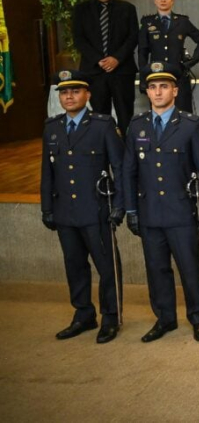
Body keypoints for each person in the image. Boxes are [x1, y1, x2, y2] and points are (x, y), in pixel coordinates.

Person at [122, 61, 199, 343]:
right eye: (153, 87)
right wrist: (130, 210)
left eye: (164, 86)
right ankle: (165, 319)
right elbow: (128, 171)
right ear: (147, 92)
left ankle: (198, 318)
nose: (158, 92)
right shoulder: (137, 126)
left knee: (189, 268)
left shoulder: (190, 125)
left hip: (181, 210)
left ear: (175, 90)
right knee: (157, 268)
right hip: (150, 212)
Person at [40, 70, 124, 343]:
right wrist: (47, 208)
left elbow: (119, 167)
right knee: (74, 265)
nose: (69, 96)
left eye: (75, 91)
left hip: (96, 208)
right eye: (64, 92)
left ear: (87, 95)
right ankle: (83, 314)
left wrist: (120, 205)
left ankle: (111, 316)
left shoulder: (101, 125)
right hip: (65, 211)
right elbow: (47, 173)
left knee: (107, 266)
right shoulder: (52, 128)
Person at [72, 0, 139, 135]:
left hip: (122, 71)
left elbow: (133, 37)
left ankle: (127, 156)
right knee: (100, 118)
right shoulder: (81, 10)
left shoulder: (128, 8)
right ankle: (104, 155)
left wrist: (116, 58)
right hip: (94, 72)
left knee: (126, 116)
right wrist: (99, 60)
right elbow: (79, 40)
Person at [138, 0, 199, 112]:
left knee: (183, 114)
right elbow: (142, 52)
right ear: (154, 0)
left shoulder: (182, 21)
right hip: (156, 76)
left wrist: (191, 62)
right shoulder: (147, 23)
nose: (163, 0)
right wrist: (143, 79)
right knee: (158, 114)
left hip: (179, 76)